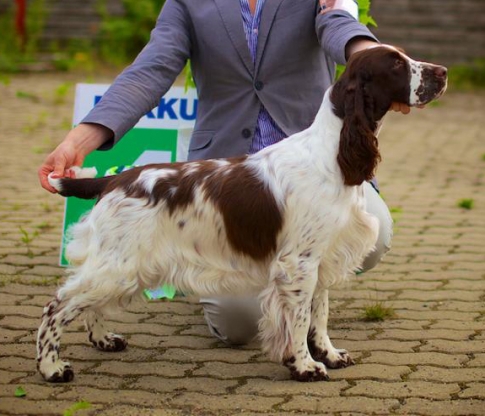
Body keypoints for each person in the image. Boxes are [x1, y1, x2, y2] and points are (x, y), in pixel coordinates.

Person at [39, 0, 407, 346]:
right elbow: (149, 71)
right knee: (237, 325)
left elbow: (339, 25)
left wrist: (371, 62)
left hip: (313, 164)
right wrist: (78, 141)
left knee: (370, 232)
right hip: (226, 188)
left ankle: (303, 305)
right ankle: (208, 264)